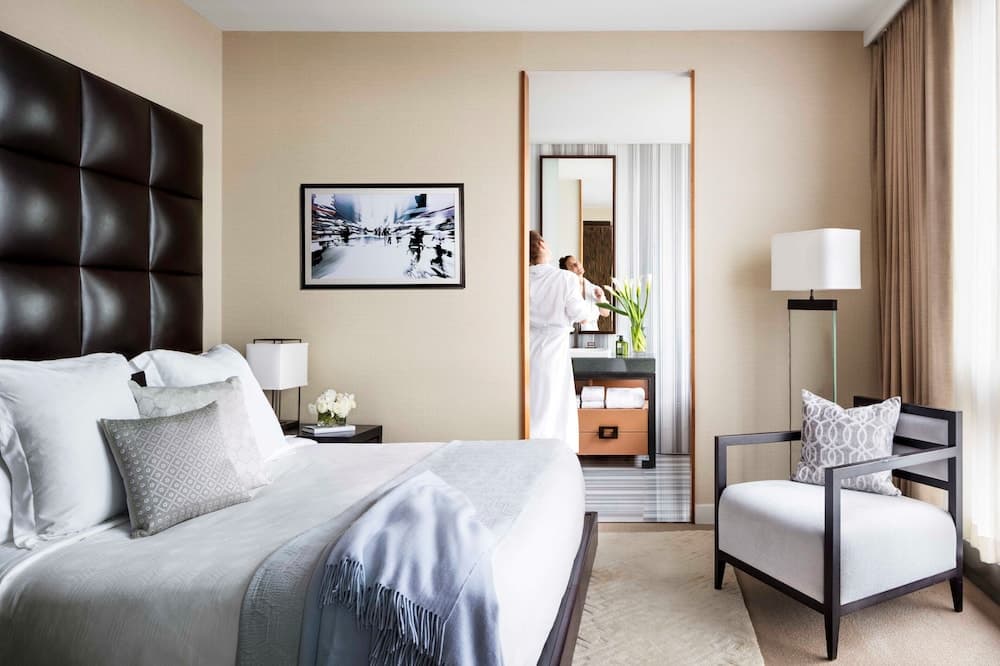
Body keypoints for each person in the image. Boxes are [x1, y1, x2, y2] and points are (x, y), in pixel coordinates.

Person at [529, 231, 603, 451]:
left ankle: (531, 452)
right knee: (554, 406)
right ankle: (554, 455)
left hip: (528, 350)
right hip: (554, 350)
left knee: (533, 406)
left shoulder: (521, 278)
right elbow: (579, 313)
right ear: (542, 244)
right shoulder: (565, 278)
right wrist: (594, 310)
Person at [559, 255, 609, 330]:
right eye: (573, 265)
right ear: (567, 271)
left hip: (592, 332)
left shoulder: (595, 289)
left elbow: (606, 313)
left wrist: (600, 299)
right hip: (571, 331)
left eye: (578, 262)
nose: (578, 265)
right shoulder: (564, 290)